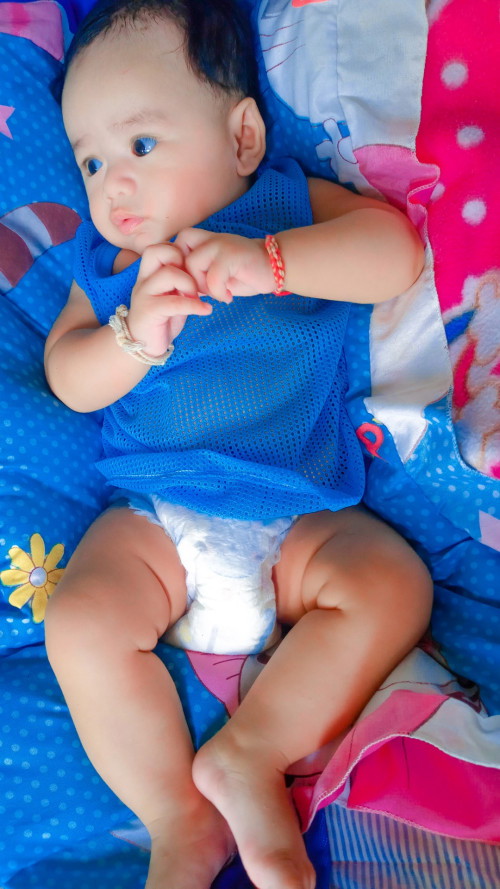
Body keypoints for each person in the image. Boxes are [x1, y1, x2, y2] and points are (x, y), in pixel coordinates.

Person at [44, 1, 433, 887]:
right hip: (157, 520)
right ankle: (177, 818)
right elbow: (68, 374)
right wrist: (132, 337)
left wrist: (275, 263)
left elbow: (394, 254)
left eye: (140, 145)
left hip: (296, 514)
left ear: (244, 137)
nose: (111, 187)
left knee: (390, 583)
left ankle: (249, 753)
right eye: (90, 161)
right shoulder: (111, 270)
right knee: (81, 621)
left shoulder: (284, 207)